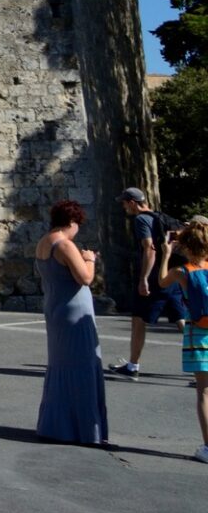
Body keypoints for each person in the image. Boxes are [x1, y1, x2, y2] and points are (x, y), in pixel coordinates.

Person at [34, 199, 109, 444]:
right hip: (74, 311)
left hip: (55, 307)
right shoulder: (65, 245)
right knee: (83, 363)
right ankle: (85, 429)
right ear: (72, 222)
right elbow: (85, 278)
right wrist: (90, 259)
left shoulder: (43, 243)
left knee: (60, 365)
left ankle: (57, 425)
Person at [109, 188, 183, 378]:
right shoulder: (159, 216)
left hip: (154, 278)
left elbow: (149, 250)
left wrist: (143, 279)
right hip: (171, 275)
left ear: (132, 202)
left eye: (124, 203)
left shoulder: (141, 220)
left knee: (138, 319)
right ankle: (204, 363)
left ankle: (132, 366)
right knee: (182, 320)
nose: (124, 207)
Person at [156, 221, 208, 463]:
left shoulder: (183, 272)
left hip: (197, 335)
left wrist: (166, 255)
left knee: (204, 393)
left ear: (185, 247)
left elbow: (162, 282)